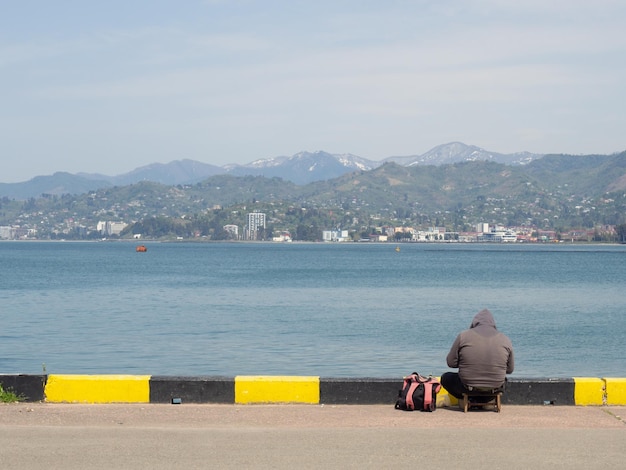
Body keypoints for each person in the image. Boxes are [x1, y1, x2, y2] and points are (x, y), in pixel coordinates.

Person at [441, 308, 514, 401]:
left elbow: (450, 363)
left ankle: (470, 400)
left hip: (467, 387)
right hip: (494, 389)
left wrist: (466, 364)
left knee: (445, 378)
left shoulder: (463, 336)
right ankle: (480, 401)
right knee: (505, 381)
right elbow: (510, 370)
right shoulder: (505, 339)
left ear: (474, 322)